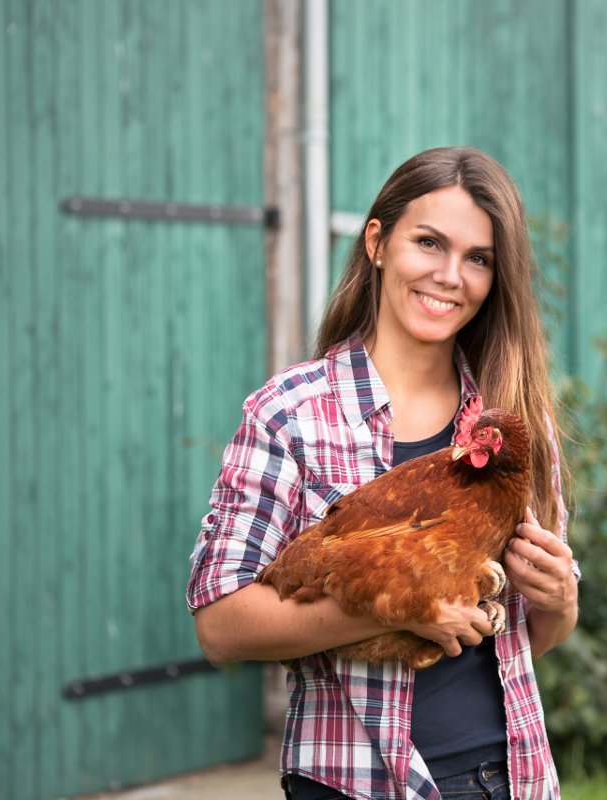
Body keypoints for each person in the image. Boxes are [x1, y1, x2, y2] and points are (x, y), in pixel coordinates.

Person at [185, 146, 579, 800]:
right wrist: (403, 609)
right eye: (429, 243)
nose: (451, 276)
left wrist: (561, 602)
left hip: (506, 778)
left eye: (478, 258)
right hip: (353, 782)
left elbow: (529, 637)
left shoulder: (513, 426)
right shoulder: (292, 416)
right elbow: (220, 624)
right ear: (377, 243)